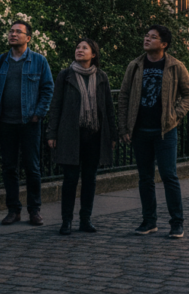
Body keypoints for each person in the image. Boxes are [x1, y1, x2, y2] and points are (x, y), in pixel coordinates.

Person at [118, 25, 189, 239]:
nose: (147, 39)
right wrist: (124, 127)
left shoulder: (175, 66)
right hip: (139, 131)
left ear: (164, 44)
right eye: (146, 36)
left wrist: (174, 115)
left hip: (165, 131)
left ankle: (177, 222)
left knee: (169, 176)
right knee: (145, 178)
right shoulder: (135, 65)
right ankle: (149, 221)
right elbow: (124, 96)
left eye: (153, 37)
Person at [0, 21, 55, 227]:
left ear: (28, 38)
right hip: (6, 122)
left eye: (18, 32)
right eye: (11, 31)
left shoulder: (39, 61)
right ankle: (13, 210)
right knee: (9, 168)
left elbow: (48, 89)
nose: (13, 34)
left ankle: (35, 210)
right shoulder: (0, 62)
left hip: (29, 123)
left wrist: (38, 114)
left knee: (32, 167)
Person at [47, 39, 117, 235]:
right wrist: (51, 133)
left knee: (90, 179)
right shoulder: (65, 75)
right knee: (70, 179)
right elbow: (56, 105)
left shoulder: (101, 76)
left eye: (84, 48)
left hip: (94, 135)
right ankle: (66, 221)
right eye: (77, 47)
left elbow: (109, 107)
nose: (79, 50)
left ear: (93, 54)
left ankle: (85, 219)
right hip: (71, 134)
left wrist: (112, 134)